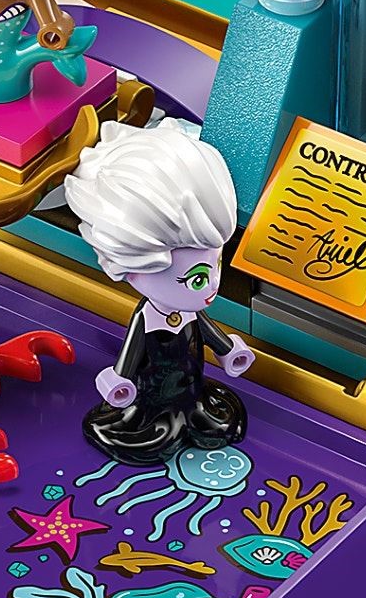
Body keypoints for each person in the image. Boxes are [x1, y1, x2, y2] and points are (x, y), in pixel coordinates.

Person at [64, 120, 256, 466]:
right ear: (132, 267)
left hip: (192, 390)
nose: (214, 286)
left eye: (217, 265)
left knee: (206, 416)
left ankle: (190, 410)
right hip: (153, 396)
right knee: (151, 431)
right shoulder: (147, 317)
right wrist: (121, 381)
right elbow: (131, 353)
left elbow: (207, 330)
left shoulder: (190, 310)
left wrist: (228, 352)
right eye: (197, 279)